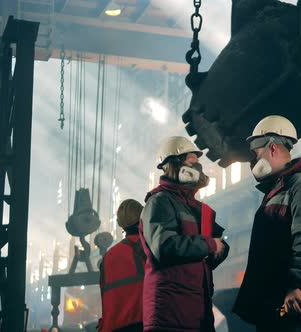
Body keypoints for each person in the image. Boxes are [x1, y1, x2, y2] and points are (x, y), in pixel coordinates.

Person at [233, 115, 301, 332]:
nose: (253, 160)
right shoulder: (277, 190)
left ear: (273, 148)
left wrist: (296, 285)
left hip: (291, 308)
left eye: (256, 152)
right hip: (272, 308)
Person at [139, 136, 230, 332]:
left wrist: (221, 248)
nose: (198, 167)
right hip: (170, 314)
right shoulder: (160, 201)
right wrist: (210, 245)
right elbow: (164, 246)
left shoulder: (195, 208)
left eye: (198, 162)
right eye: (192, 161)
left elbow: (204, 256)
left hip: (195, 311)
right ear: (176, 165)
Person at [98, 199, 145, 332]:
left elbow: (104, 295)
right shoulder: (150, 248)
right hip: (144, 323)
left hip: (114, 327)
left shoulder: (108, 257)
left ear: (120, 224)